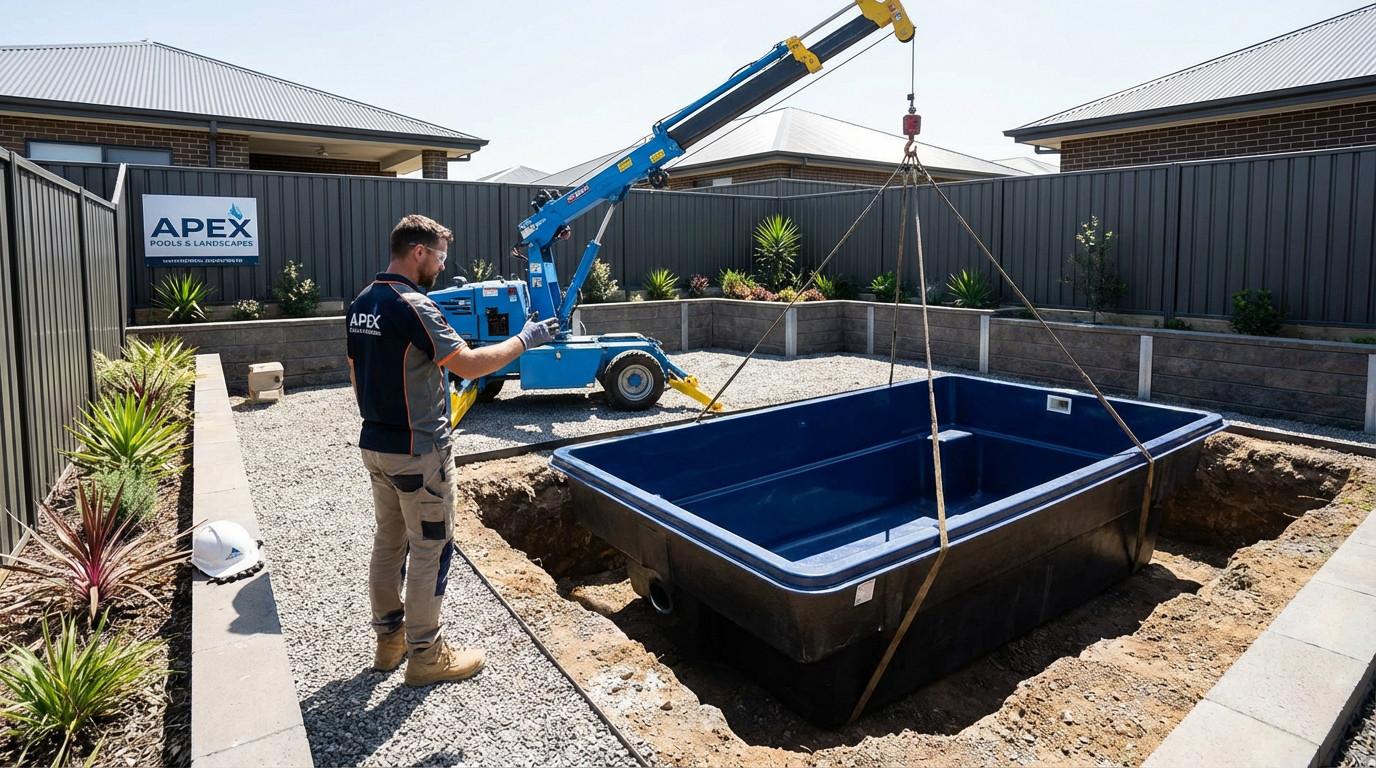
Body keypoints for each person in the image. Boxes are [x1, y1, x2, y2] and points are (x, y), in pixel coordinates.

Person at [346, 214, 559, 687]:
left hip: (376, 445)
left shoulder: (362, 302)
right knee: (431, 547)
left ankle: (390, 641)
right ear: (418, 252)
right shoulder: (413, 304)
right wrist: (526, 339)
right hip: (420, 451)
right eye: (439, 256)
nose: (442, 266)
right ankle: (426, 654)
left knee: (389, 541)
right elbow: (469, 364)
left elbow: (355, 373)